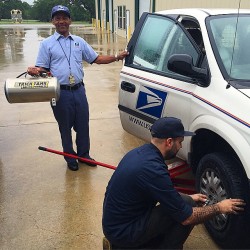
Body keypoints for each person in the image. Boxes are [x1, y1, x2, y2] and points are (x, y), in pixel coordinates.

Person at [102, 117, 245, 249]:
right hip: (122, 233)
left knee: (187, 201)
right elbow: (187, 218)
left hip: (115, 224)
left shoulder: (141, 154)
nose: (181, 146)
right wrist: (219, 207)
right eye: (180, 142)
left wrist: (188, 197)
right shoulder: (154, 169)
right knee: (187, 210)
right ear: (169, 142)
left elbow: (159, 190)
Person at [27, 5, 128, 171]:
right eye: (57, 18)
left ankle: (83, 155)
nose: (61, 21)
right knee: (65, 127)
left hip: (79, 90)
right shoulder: (47, 44)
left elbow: (96, 59)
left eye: (64, 18)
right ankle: (70, 158)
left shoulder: (79, 42)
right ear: (53, 21)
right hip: (59, 93)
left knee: (83, 125)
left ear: (70, 20)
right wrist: (35, 71)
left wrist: (117, 56)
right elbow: (43, 69)